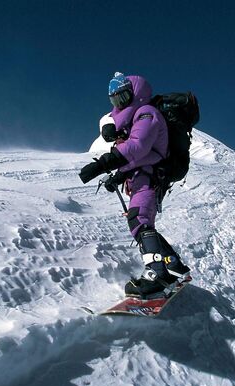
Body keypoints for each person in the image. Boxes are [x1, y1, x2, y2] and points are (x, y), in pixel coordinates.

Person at [79, 72, 190, 298]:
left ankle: (157, 275)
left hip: (150, 177)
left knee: (139, 220)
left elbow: (138, 147)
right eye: (114, 100)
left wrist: (103, 163)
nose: (119, 104)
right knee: (142, 222)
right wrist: (118, 177)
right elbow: (137, 157)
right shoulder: (135, 119)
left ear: (135, 94)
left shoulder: (146, 113)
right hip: (142, 176)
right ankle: (174, 265)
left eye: (122, 97)